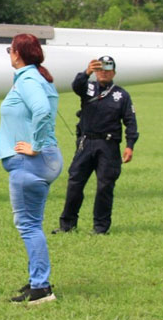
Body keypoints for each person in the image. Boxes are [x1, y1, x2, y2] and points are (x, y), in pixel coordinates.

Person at [0, 34, 64, 305]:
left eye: (9, 50)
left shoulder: (27, 80)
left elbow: (41, 111)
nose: (9, 55)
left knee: (29, 226)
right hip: (44, 160)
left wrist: (35, 145)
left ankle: (41, 288)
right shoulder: (38, 78)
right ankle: (38, 281)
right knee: (32, 225)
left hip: (32, 161)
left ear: (17, 53)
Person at [54, 55, 139, 235]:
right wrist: (86, 72)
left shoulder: (121, 95)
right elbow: (76, 86)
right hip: (86, 142)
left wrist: (130, 145)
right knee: (75, 183)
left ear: (114, 72)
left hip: (108, 145)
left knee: (105, 186)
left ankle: (100, 228)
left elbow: (130, 121)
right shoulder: (89, 87)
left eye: (107, 70)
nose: (103, 73)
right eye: (100, 69)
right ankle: (67, 225)